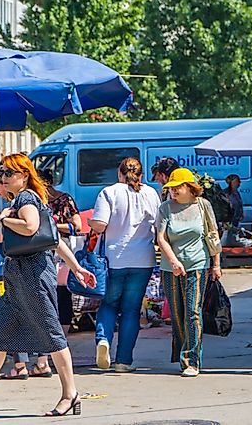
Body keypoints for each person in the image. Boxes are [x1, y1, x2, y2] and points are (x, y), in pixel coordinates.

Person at [0, 154, 96, 417]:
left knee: (52, 334)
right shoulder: (30, 201)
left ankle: (70, 393)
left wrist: (4, 218)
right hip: (21, 275)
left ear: (24, 175)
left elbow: (30, 228)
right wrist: (77, 267)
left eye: (9, 173)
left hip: (32, 275)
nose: (4, 178)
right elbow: (51, 239)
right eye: (3, 173)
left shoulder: (25, 199)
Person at [6, 168, 83, 380]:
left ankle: (61, 381)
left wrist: (46, 227)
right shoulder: (34, 200)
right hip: (45, 259)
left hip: (44, 261)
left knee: (51, 318)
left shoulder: (30, 200)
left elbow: (75, 226)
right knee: (5, 328)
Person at [89, 157, 161, 373]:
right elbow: (158, 228)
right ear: (141, 175)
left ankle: (103, 339)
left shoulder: (109, 193)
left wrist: (91, 222)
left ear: (119, 174)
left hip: (113, 259)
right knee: (131, 310)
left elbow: (100, 226)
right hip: (142, 259)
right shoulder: (150, 193)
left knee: (109, 304)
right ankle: (123, 361)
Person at [156, 168, 222, 377]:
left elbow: (213, 235)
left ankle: (191, 360)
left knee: (192, 312)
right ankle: (182, 351)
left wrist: (216, 264)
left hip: (197, 264)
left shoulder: (203, 206)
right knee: (177, 314)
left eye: (177, 188)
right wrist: (174, 262)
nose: (173, 191)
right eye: (171, 188)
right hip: (171, 268)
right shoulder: (166, 207)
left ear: (190, 187)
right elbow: (161, 238)